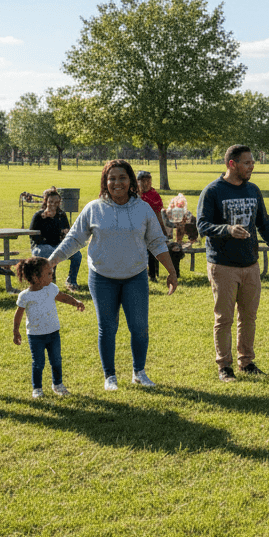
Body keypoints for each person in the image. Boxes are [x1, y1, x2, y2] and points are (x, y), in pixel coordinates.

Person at [48, 159, 177, 391]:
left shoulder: (143, 208)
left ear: (131, 182)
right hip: (102, 278)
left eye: (122, 178)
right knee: (107, 327)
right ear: (105, 182)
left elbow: (156, 241)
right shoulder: (94, 208)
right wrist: (51, 262)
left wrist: (171, 271)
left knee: (139, 327)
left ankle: (139, 372)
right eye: (111, 178)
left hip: (135, 276)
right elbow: (75, 239)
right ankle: (110, 376)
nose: (117, 183)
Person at [197, 144, 269, 382]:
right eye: (247, 162)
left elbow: (264, 223)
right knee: (224, 318)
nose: (252, 166)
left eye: (252, 162)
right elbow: (202, 225)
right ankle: (224, 366)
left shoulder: (253, 190)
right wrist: (227, 229)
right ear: (232, 164)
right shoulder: (213, 191)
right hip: (223, 265)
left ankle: (246, 362)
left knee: (248, 317)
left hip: (250, 264)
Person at [12, 256, 85, 397]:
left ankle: (58, 385)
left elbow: (62, 297)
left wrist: (75, 302)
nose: (52, 276)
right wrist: (16, 331)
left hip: (53, 333)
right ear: (35, 277)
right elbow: (18, 314)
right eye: (49, 274)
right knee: (38, 363)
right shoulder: (25, 296)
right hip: (35, 336)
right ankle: (37, 389)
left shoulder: (51, 288)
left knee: (56, 360)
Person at [29, 187, 83, 291]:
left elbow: (67, 231)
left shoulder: (61, 215)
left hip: (57, 244)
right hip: (41, 246)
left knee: (77, 255)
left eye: (57, 202)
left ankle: (71, 281)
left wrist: (66, 233)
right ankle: (50, 281)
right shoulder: (39, 215)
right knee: (51, 251)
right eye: (51, 201)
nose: (53, 204)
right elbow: (33, 235)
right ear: (46, 201)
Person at [137, 171, 169, 282]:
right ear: (138, 182)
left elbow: (158, 213)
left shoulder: (154, 195)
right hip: (135, 228)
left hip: (150, 227)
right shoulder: (134, 195)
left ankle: (152, 275)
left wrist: (163, 229)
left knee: (151, 251)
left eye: (148, 181)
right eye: (143, 181)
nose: (146, 184)